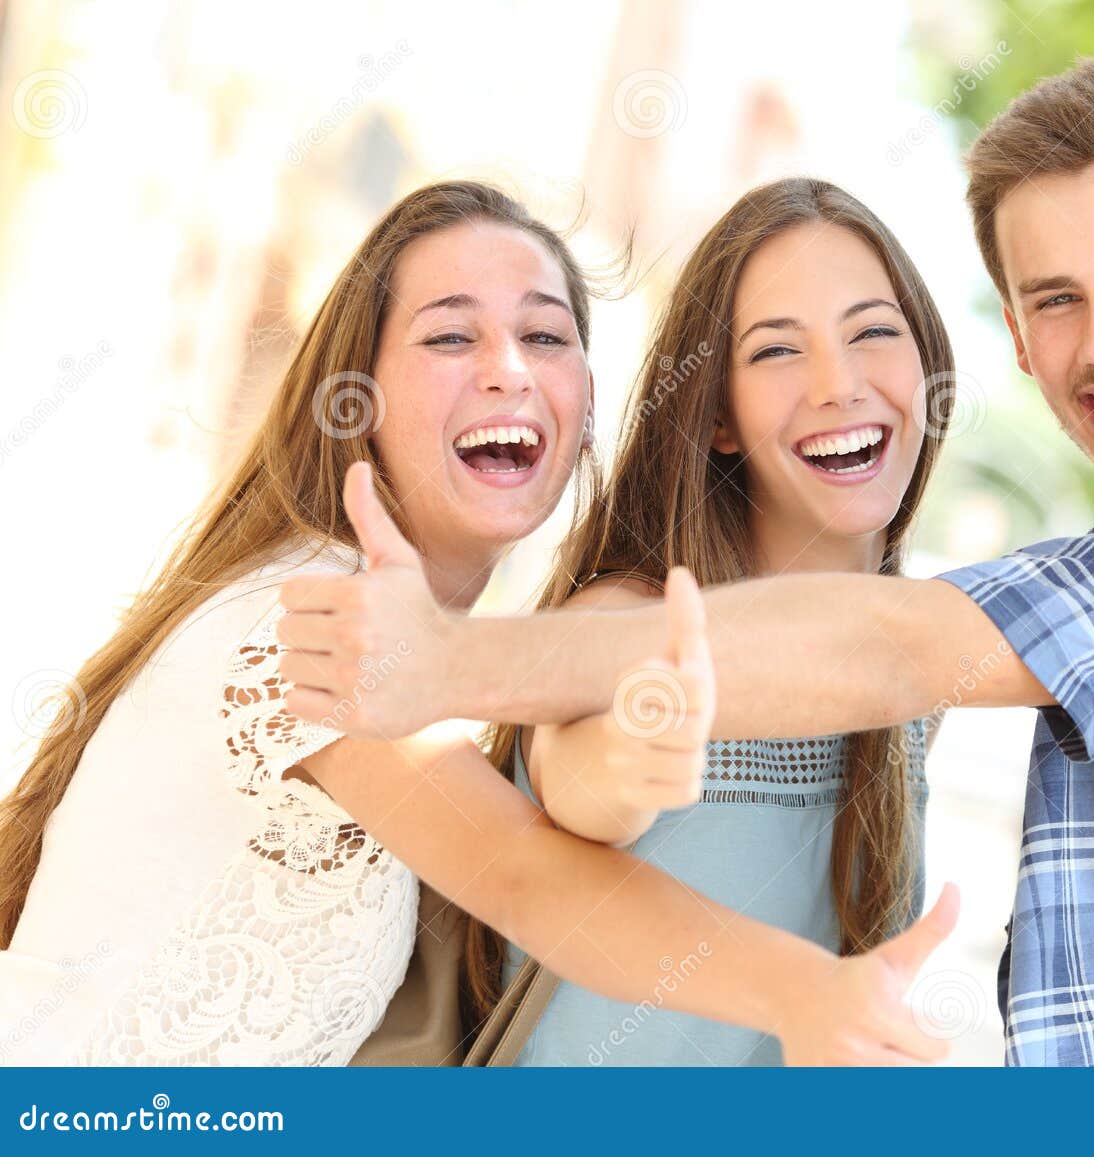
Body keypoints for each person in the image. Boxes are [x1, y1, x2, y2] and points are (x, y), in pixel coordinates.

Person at [286, 45, 1094, 1068]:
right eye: (1056, 299)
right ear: (1019, 345)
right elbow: (586, 775)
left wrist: (453, 661)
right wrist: (601, 719)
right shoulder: (654, 616)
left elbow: (897, 645)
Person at [0, 180, 956, 1066]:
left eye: (545, 338)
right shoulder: (299, 617)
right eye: (451, 338)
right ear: (355, 394)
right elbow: (526, 875)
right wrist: (808, 992)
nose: (508, 369)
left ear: (586, 411)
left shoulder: (454, 658)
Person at [481, 177, 950, 1064]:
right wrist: (632, 750)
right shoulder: (630, 620)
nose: (839, 383)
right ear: (721, 419)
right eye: (777, 352)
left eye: (875, 332)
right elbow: (582, 774)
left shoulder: (911, 681)